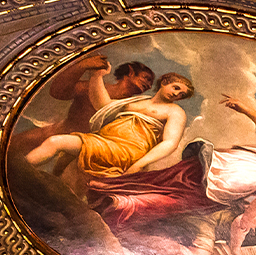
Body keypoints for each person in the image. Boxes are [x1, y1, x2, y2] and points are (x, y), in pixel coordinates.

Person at [83, 95, 256, 255]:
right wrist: (247, 111)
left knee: (173, 187)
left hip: (232, 173)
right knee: (175, 191)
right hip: (232, 175)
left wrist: (244, 222)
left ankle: (112, 194)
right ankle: (115, 196)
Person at [24, 70, 193, 177]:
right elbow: (103, 106)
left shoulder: (175, 112)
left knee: (56, 142)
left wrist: (139, 164)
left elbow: (170, 143)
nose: (177, 94)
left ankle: (16, 171)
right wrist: (96, 76)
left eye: (181, 95)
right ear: (164, 83)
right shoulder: (138, 101)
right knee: (66, 164)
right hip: (105, 142)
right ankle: (16, 172)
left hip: (127, 151)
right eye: (176, 88)